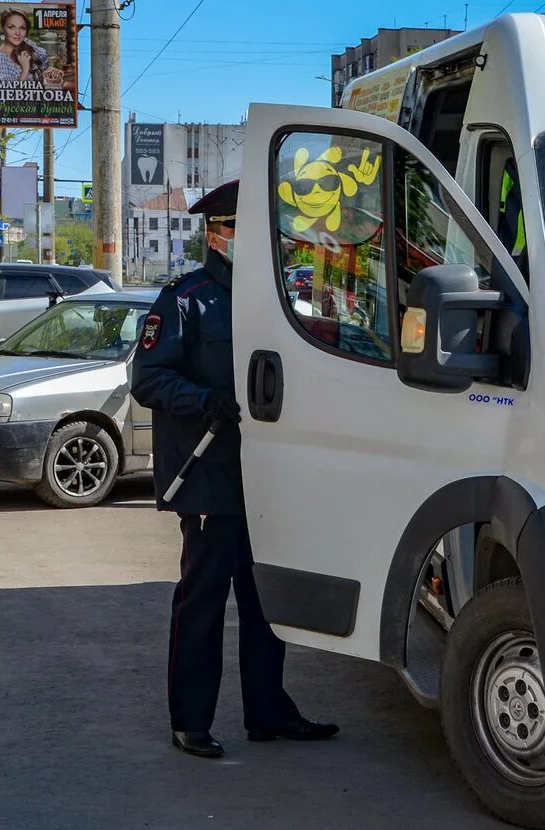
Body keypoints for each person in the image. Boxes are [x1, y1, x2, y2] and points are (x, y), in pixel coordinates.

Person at [132, 180, 338, 759]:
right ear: (218, 232)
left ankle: (268, 710)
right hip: (207, 474)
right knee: (203, 599)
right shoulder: (184, 299)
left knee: (264, 599)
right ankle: (190, 720)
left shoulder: (276, 298)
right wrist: (205, 400)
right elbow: (147, 379)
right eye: (244, 230)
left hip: (268, 474)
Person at [0, 9, 47, 84]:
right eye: (11, 27)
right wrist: (25, 69)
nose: (17, 33)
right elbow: (9, 94)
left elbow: (45, 61)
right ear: (3, 28)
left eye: (22, 28)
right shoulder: (1, 59)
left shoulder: (26, 42)